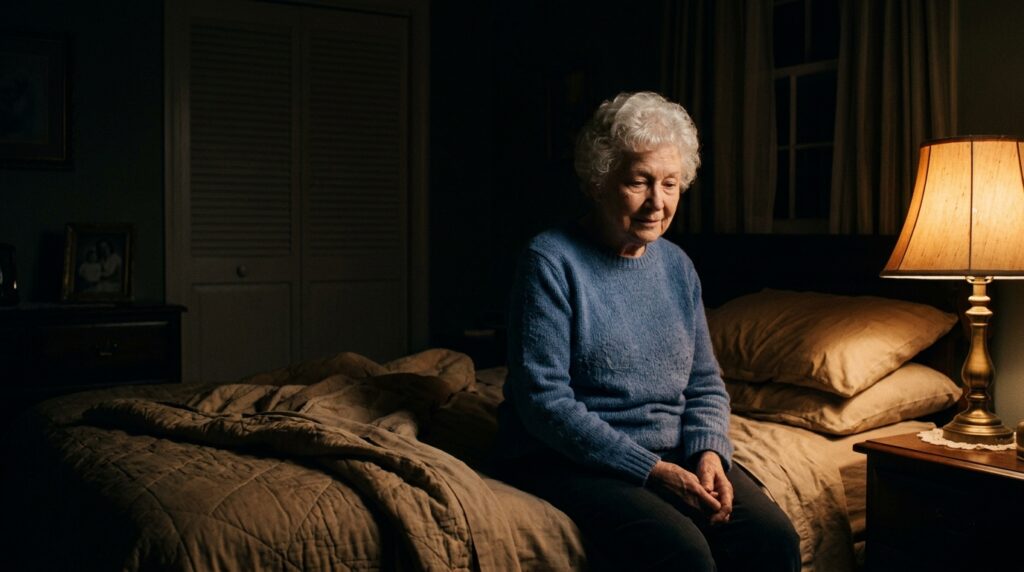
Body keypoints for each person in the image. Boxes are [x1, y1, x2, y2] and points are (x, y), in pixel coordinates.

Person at [493, 92, 800, 572]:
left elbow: (704, 384)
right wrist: (651, 471)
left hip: (673, 450)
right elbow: (543, 401)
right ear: (599, 181)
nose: (658, 202)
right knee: (684, 554)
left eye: (671, 184)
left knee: (773, 538)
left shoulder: (678, 266)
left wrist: (709, 454)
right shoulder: (550, 259)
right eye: (639, 182)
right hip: (569, 456)